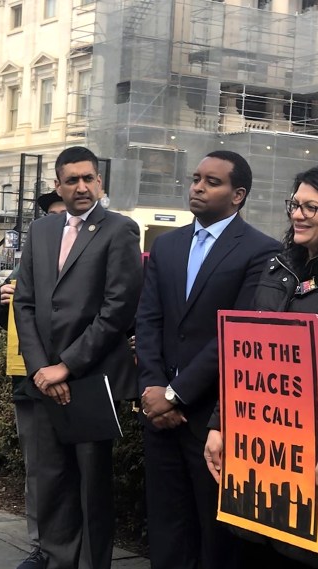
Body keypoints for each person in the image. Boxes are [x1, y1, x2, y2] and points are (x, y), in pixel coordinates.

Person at [135, 150, 279, 569]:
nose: (197, 187)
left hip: (213, 418)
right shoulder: (168, 246)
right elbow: (149, 321)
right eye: (196, 178)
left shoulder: (260, 251)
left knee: (215, 537)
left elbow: (232, 338)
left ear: (238, 195)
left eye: (211, 182)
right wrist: (152, 388)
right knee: (166, 528)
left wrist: (176, 394)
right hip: (158, 413)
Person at [13, 146, 142, 569]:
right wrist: (40, 370)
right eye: (72, 180)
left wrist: (65, 366)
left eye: (89, 178)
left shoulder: (120, 230)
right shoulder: (42, 231)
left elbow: (117, 310)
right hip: (44, 381)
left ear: (100, 183)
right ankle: (56, 558)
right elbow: (25, 303)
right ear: (58, 185)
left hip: (90, 380)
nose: (82, 187)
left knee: (90, 486)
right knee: (51, 482)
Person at [204, 167, 318, 569]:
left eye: (311, 207)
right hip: (262, 446)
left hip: (309, 451)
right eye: (295, 205)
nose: (298, 215)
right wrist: (220, 425)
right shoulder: (277, 267)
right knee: (255, 549)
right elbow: (244, 359)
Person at [0, 189, 65, 569]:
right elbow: (8, 324)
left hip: (81, 381)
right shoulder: (26, 265)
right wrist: (3, 303)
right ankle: (42, 546)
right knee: (37, 470)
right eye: (51, 217)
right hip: (29, 384)